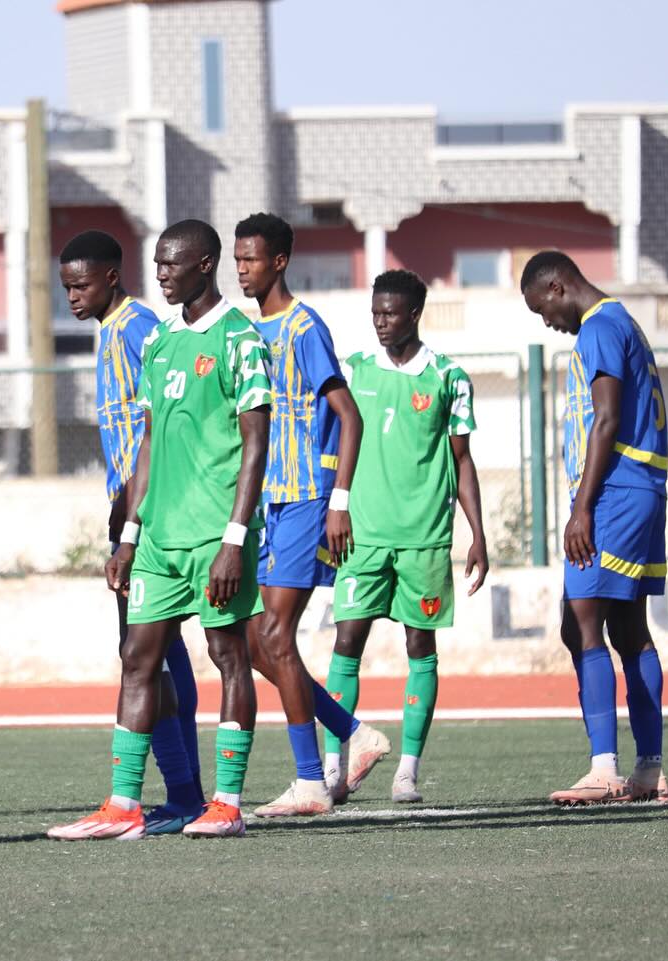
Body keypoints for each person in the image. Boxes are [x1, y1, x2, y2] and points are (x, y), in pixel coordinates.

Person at [49, 219, 271, 841]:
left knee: (230, 657)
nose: (163, 273)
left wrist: (235, 537)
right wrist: (128, 536)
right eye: (159, 263)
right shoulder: (161, 342)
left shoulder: (239, 339)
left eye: (173, 264)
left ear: (206, 265)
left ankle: (225, 803)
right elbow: (145, 445)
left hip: (214, 536)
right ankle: (123, 805)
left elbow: (257, 443)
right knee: (137, 659)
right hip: (159, 538)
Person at [231, 212, 392, 816]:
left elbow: (349, 415)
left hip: (305, 498)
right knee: (252, 641)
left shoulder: (304, 328)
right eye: (236, 259)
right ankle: (353, 734)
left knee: (274, 634)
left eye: (250, 259)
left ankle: (309, 781)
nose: (241, 269)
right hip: (267, 503)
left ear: (279, 262)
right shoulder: (251, 331)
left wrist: (339, 500)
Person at [59, 230, 206, 833]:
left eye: (81, 285)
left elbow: (166, 418)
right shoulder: (109, 329)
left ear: (112, 278)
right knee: (159, 654)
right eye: (66, 286)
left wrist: (137, 510)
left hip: (159, 516)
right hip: (135, 512)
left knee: (149, 655)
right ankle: (183, 796)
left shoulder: (140, 328)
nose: (71, 296)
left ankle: (181, 794)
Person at [324, 269, 489, 804]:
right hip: (362, 536)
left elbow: (463, 461)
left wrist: (478, 535)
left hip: (424, 539)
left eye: (390, 313)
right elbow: (331, 444)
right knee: (346, 641)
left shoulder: (448, 377)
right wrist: (335, 504)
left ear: (415, 313)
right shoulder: (353, 370)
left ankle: (408, 772)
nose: (381, 323)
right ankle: (332, 767)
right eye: (375, 313)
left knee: (421, 646)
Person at [520, 251, 668, 806]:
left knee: (582, 622)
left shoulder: (599, 328)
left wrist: (581, 507)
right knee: (628, 628)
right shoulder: (625, 322)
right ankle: (649, 769)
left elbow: (605, 418)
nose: (548, 323)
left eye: (544, 310)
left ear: (558, 287)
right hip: (643, 488)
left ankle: (604, 768)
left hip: (614, 492)